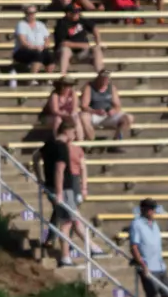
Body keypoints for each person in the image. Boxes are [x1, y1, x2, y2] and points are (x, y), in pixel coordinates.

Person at [34, 120, 83, 267]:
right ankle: (67, 256)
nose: (75, 135)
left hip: (52, 186)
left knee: (70, 220)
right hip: (64, 189)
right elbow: (59, 170)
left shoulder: (49, 144)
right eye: (74, 132)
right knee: (68, 222)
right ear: (67, 131)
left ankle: (90, 248)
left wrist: (40, 179)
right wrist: (60, 192)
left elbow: (35, 158)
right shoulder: (61, 147)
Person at [128, 198, 168, 297]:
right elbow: (134, 246)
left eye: (153, 209)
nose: (152, 212)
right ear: (144, 210)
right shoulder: (137, 224)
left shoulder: (155, 224)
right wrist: (142, 264)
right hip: (148, 265)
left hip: (160, 265)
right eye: (150, 209)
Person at [80, 69, 134, 143]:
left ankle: (117, 140)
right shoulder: (89, 87)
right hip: (94, 114)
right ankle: (91, 141)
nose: (105, 81)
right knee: (83, 117)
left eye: (106, 79)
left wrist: (114, 110)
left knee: (128, 118)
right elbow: (84, 105)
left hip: (108, 114)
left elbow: (118, 105)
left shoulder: (112, 88)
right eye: (103, 79)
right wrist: (95, 111)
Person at [39, 78, 89, 143]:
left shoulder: (73, 93)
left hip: (66, 115)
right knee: (58, 119)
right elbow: (55, 110)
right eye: (66, 85)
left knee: (75, 117)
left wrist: (70, 115)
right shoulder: (55, 94)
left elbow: (74, 109)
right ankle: (57, 141)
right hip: (50, 116)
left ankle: (80, 140)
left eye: (70, 86)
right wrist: (65, 114)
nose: (68, 88)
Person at [55, 7, 104, 75]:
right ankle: (63, 75)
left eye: (78, 12)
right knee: (65, 50)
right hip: (70, 53)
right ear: (68, 14)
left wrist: (98, 43)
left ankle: (101, 74)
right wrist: (83, 45)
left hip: (82, 53)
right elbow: (64, 43)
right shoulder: (62, 24)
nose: (77, 14)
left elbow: (95, 28)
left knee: (97, 49)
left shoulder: (82, 20)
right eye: (75, 13)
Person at [12, 6, 53, 77]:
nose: (31, 15)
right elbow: (23, 42)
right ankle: (32, 78)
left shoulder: (41, 25)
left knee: (50, 55)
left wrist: (45, 46)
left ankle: (49, 77)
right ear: (26, 13)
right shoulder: (21, 25)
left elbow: (47, 38)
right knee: (37, 54)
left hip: (39, 48)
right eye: (29, 13)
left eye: (33, 13)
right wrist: (35, 48)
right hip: (23, 50)